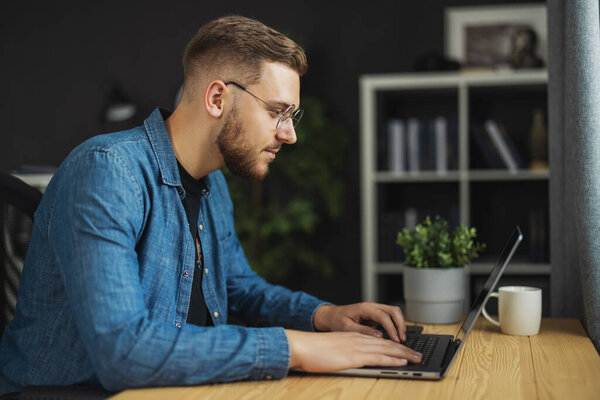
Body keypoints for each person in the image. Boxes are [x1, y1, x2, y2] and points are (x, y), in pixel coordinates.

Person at [0, 15, 422, 395]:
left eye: (293, 116)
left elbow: (237, 289)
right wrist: (296, 347)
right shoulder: (107, 172)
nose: (290, 135)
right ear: (217, 98)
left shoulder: (213, 182)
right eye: (278, 111)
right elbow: (123, 351)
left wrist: (323, 316)